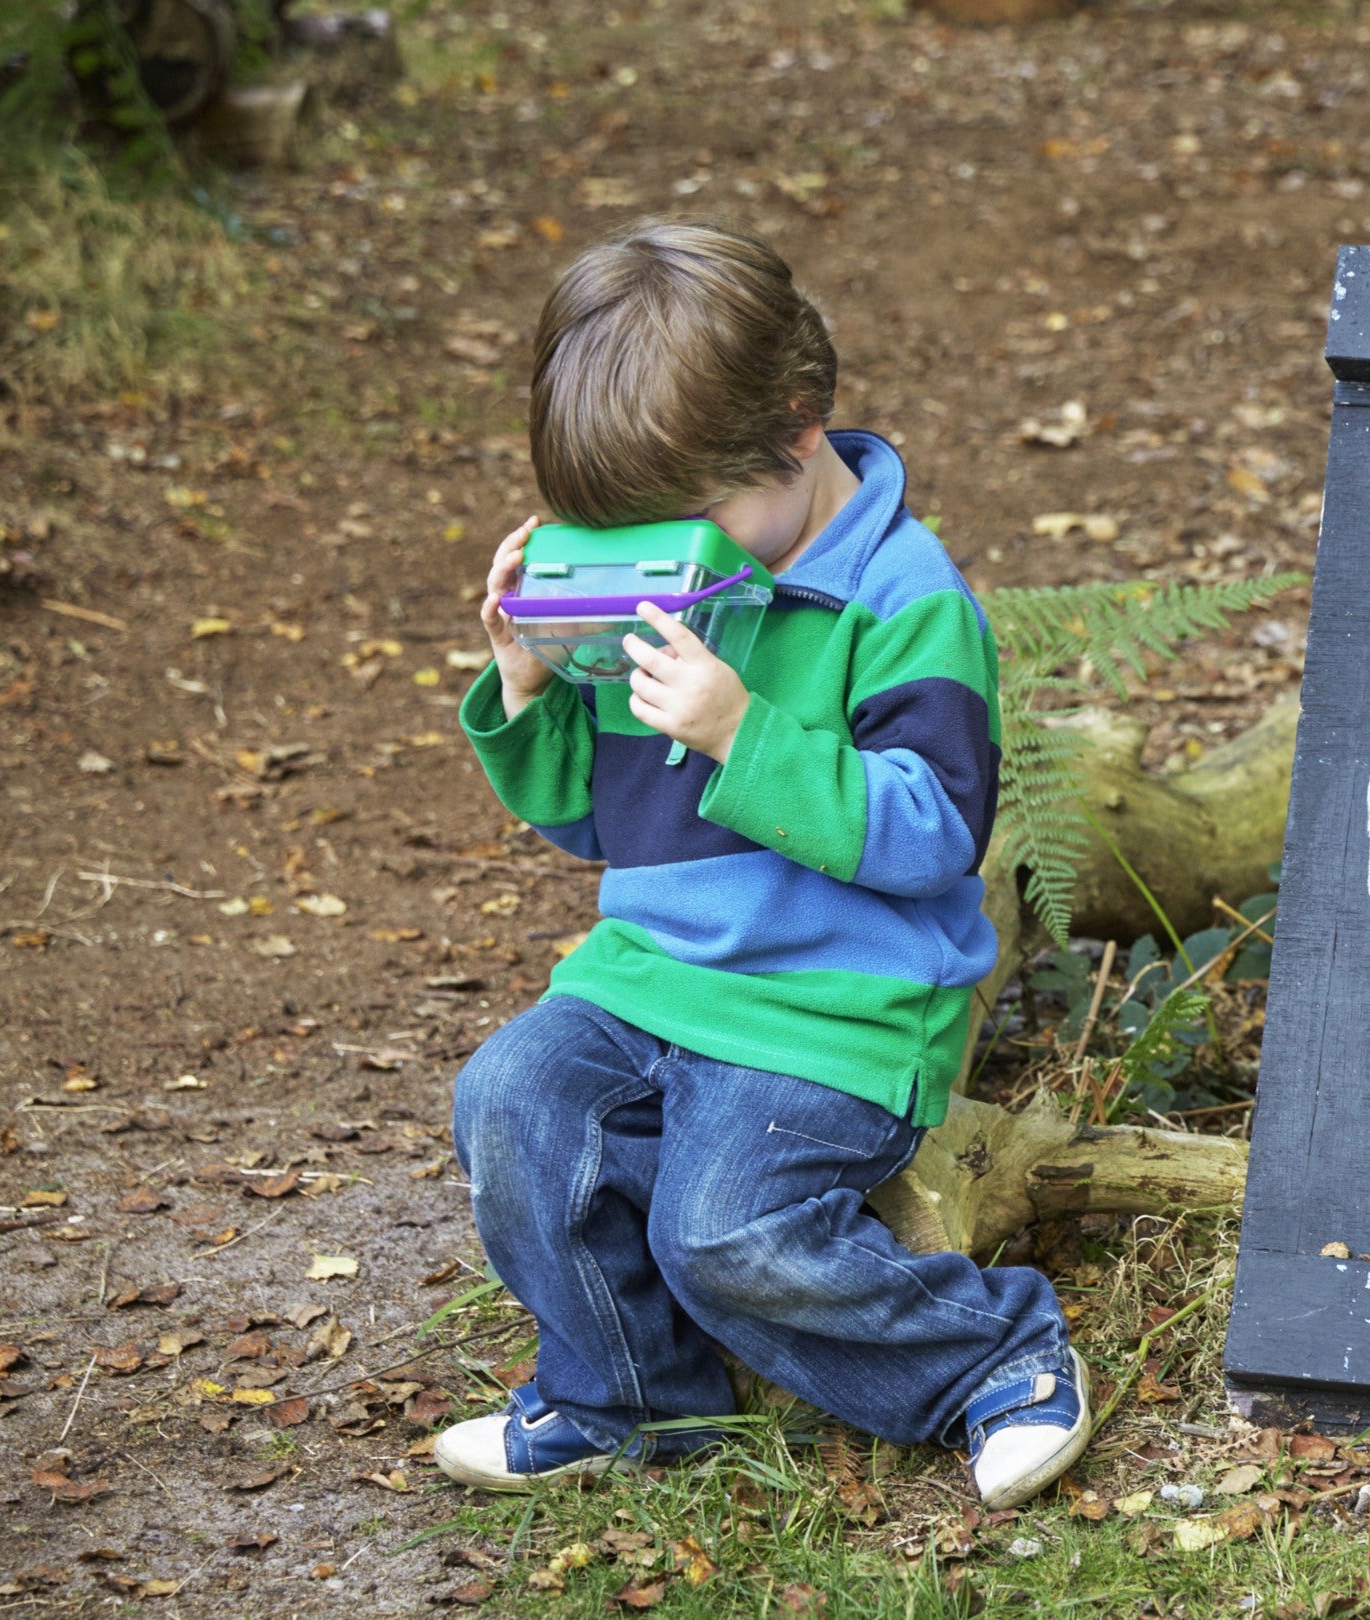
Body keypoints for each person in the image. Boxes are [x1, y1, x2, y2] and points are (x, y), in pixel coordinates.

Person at [435, 219, 1086, 1508]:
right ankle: (626, 1398)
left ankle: (996, 1360)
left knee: (720, 1227)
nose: (669, 553)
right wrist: (528, 686)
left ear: (797, 431)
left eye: (686, 517)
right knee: (509, 1097)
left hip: (834, 1004)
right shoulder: (673, 576)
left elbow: (936, 830)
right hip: (650, 975)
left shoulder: (906, 601)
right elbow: (597, 824)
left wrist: (745, 732)